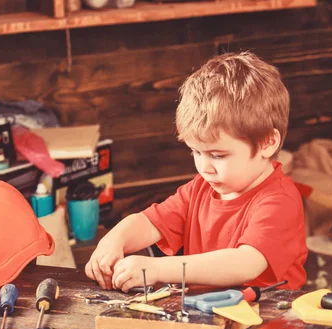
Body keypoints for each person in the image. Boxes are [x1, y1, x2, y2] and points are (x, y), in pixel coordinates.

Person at [85, 51, 307, 292]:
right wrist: (113, 241)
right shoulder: (201, 187)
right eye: (196, 152)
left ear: (267, 143)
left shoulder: (279, 200)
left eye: (218, 156)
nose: (204, 167)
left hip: (269, 319)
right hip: (208, 316)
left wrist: (157, 269)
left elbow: (246, 263)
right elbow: (150, 223)